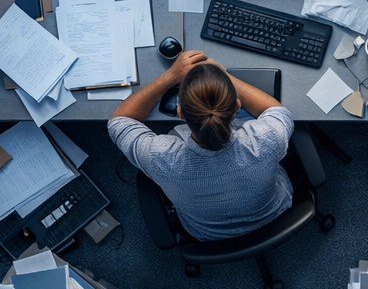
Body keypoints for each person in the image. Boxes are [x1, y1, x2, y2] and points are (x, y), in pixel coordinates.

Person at [108, 51, 294, 241]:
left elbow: (118, 122)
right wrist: (222, 75)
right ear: (237, 106)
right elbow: (277, 111)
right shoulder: (266, 139)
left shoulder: (161, 157)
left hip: (209, 233)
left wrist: (170, 77)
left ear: (180, 112)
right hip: (273, 213)